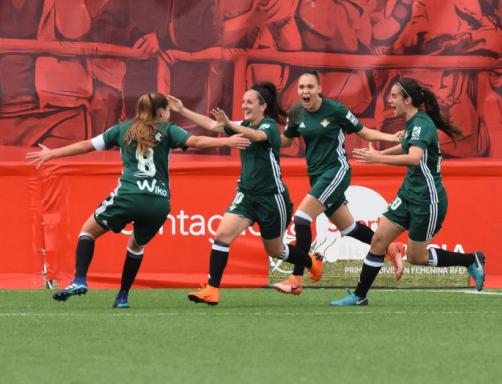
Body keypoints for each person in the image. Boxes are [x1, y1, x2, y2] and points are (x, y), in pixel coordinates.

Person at [26, 93, 250, 308]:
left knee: (88, 232)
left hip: (129, 195)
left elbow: (86, 145)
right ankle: (122, 295)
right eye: (168, 110)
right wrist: (228, 142)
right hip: (158, 202)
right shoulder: (169, 130)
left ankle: (80, 280)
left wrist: (52, 154)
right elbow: (197, 141)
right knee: (136, 245)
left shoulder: (123, 128)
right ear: (162, 111)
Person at [331, 77, 486, 306]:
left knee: (416, 257)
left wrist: (378, 158)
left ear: (408, 99)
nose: (390, 101)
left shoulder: (422, 124)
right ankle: (359, 295)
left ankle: (470, 260)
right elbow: (406, 147)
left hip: (427, 199)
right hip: (408, 195)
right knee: (378, 242)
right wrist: (380, 156)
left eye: (394, 96)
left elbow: (414, 158)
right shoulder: (413, 122)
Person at [166, 83, 323, 305]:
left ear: (263, 105)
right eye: (243, 102)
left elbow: (257, 136)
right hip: (247, 196)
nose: (244, 106)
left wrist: (230, 124)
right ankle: (212, 289)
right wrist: (182, 110)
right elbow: (213, 125)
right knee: (222, 236)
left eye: (249, 102)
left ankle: (310, 261)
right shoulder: (243, 125)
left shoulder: (268, 127)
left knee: (276, 250)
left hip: (272, 199)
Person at [273, 70, 404, 295]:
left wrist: (390, 137)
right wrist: (260, 136)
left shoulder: (336, 110)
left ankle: (296, 277)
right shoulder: (296, 112)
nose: (305, 91)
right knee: (349, 227)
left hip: (336, 171)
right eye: (302, 87)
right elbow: (286, 141)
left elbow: (364, 132)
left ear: (319, 89)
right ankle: (392, 249)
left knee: (302, 218)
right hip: (316, 175)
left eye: (310, 87)